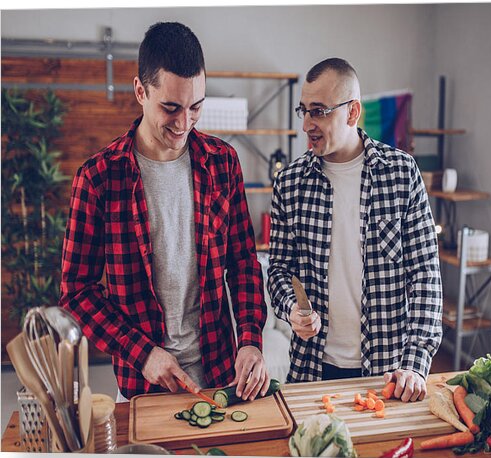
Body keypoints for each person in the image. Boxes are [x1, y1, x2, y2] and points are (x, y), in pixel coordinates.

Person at [59, 22, 270, 402]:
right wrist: (143, 354)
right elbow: (77, 292)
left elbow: (242, 262)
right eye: (170, 108)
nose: (184, 122)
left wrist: (251, 341)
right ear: (140, 91)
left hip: (221, 373)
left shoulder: (223, 163)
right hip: (145, 384)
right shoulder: (98, 178)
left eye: (196, 107)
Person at [268, 58, 443, 401]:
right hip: (311, 371)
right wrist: (291, 308)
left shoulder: (401, 173)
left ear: (352, 113)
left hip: (388, 373)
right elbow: (278, 270)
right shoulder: (289, 184)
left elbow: (425, 274)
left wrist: (415, 363)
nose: (307, 125)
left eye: (318, 111)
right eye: (303, 110)